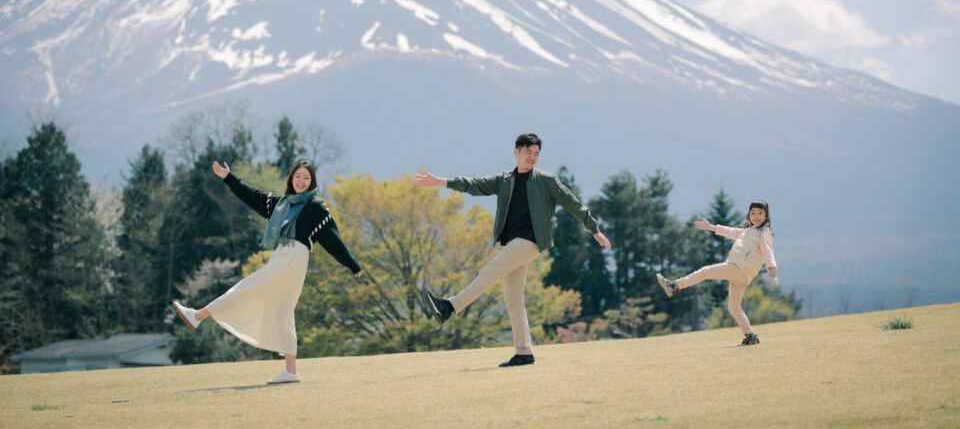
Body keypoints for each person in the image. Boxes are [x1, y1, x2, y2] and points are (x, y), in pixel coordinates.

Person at [412, 133, 612, 367]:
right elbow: (473, 185)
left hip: (530, 242)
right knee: (514, 300)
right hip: (513, 244)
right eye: (528, 153)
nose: (533, 158)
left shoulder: (547, 181)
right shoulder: (505, 180)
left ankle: (450, 306)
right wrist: (441, 182)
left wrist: (594, 229)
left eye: (536, 154)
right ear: (516, 152)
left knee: (488, 272)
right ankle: (524, 352)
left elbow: (572, 202)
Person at [172, 160, 363, 384]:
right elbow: (251, 195)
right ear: (291, 178)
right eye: (298, 176)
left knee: (246, 288)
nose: (301, 181)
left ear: (312, 183)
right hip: (283, 257)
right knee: (283, 313)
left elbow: (332, 239)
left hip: (293, 258)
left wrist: (352, 264)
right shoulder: (279, 204)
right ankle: (291, 371)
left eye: (306, 178)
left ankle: (197, 316)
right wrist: (228, 177)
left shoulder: (315, 207)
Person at [656, 199, 778, 346]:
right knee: (734, 307)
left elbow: (767, 250)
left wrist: (771, 267)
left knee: (704, 272)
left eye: (760, 213)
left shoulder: (764, 232)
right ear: (748, 215)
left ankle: (675, 285)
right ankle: (750, 336)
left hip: (738, 268)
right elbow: (730, 231)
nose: (756, 216)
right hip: (742, 275)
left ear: (767, 216)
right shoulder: (746, 231)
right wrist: (711, 227)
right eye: (753, 213)